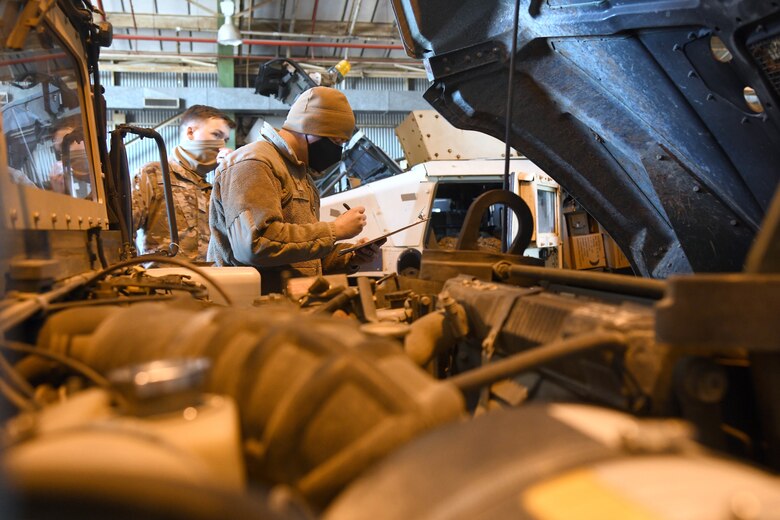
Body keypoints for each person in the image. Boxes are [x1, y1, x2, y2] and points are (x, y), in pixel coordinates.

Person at [208, 86, 378, 294]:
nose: (337, 150)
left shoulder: (300, 174)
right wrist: (335, 230)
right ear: (309, 128)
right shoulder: (254, 163)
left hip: (288, 306)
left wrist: (349, 255)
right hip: (249, 310)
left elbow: (303, 256)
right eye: (335, 141)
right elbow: (255, 245)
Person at [133, 105, 235, 261]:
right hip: (163, 280)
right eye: (216, 135)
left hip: (209, 280)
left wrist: (230, 175)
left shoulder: (214, 188)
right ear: (190, 132)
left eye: (225, 140)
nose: (221, 145)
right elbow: (124, 230)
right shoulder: (154, 174)